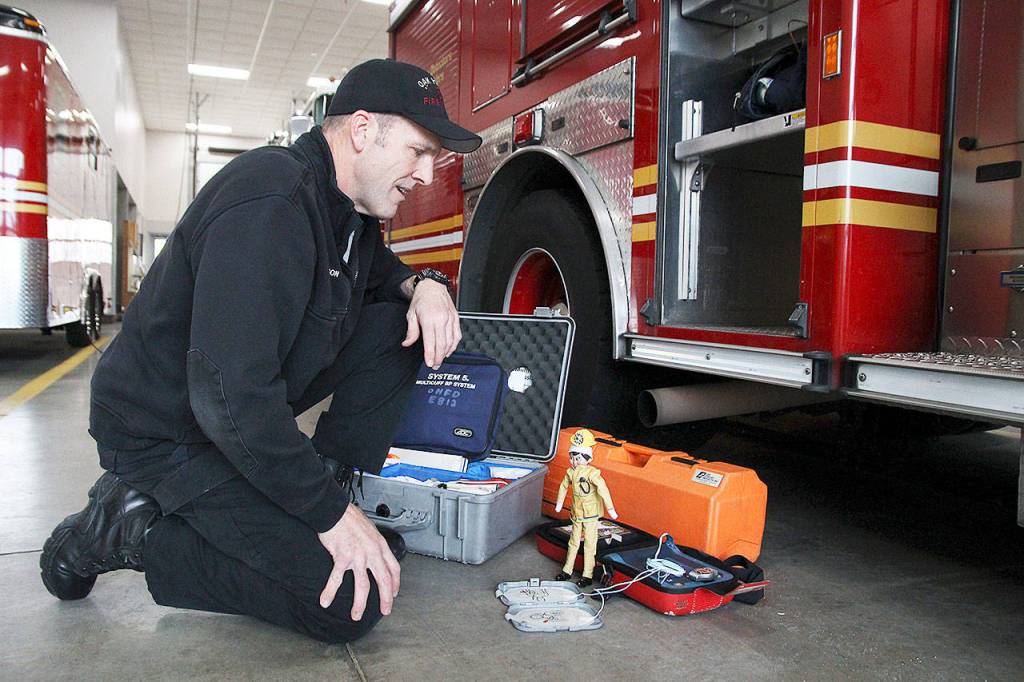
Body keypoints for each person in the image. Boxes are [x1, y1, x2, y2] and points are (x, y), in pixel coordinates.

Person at [38, 59, 482, 644]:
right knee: (351, 599)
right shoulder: (270, 203)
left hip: (227, 419)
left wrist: (423, 287)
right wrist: (325, 516)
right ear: (363, 130)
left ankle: (320, 482)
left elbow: (379, 275)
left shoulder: (347, 212)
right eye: (418, 151)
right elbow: (229, 397)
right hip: (167, 434)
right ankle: (130, 529)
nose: (427, 174)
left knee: (396, 329)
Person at [554, 429, 617, 587]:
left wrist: (611, 508)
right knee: (573, 542)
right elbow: (563, 486)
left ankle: (587, 574)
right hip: (577, 513)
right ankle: (567, 570)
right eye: (573, 458)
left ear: (587, 458)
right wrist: (559, 503)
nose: (575, 461)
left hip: (590, 514)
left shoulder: (592, 473)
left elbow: (603, 489)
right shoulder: (570, 472)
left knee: (590, 543)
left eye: (579, 458)